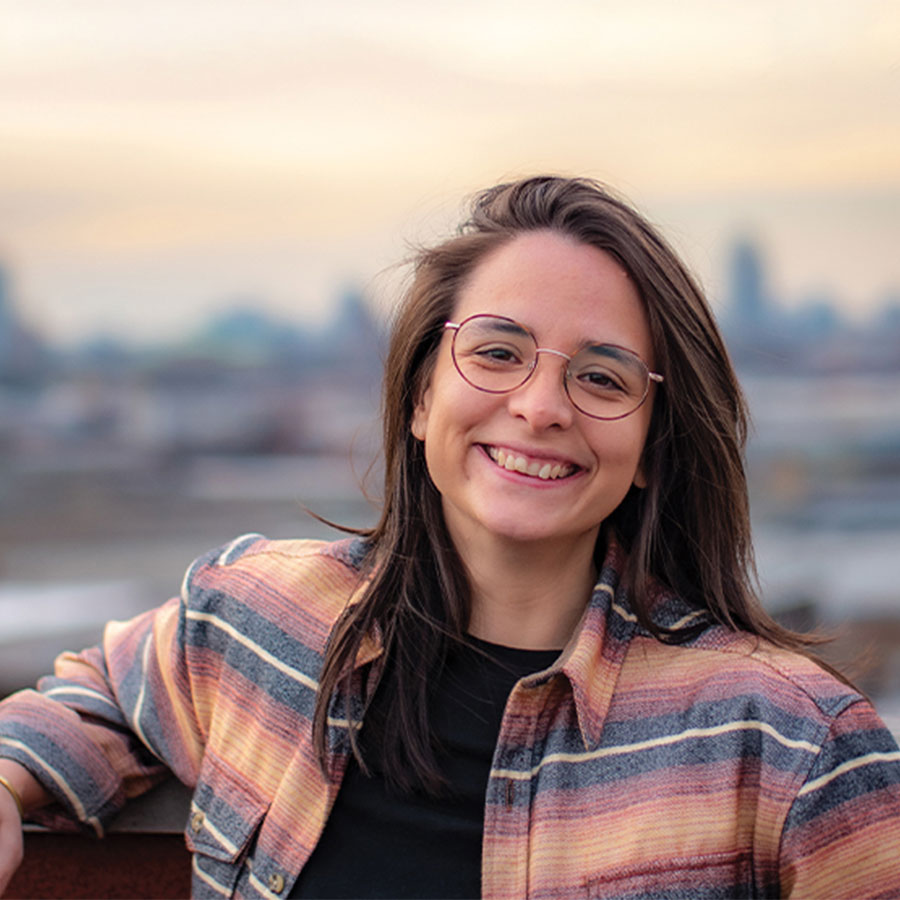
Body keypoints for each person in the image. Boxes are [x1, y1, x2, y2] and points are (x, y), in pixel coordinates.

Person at [0, 175, 899, 899]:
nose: (541, 407)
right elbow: (104, 692)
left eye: (601, 376)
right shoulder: (252, 619)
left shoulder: (789, 747)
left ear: (654, 448)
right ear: (423, 395)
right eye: (499, 352)